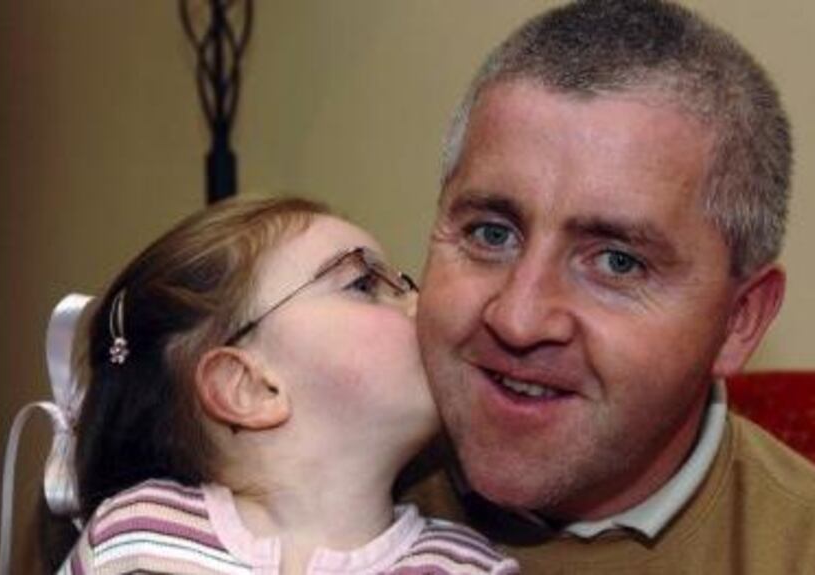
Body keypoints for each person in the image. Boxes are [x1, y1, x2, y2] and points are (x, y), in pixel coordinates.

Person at [408, 0, 815, 572]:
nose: (518, 319)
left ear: (739, 320)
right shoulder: (299, 461)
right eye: (492, 233)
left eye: (618, 263)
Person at [55, 197, 519, 574]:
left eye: (402, 283)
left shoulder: (469, 568)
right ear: (249, 387)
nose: (424, 304)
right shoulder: (136, 538)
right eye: (363, 284)